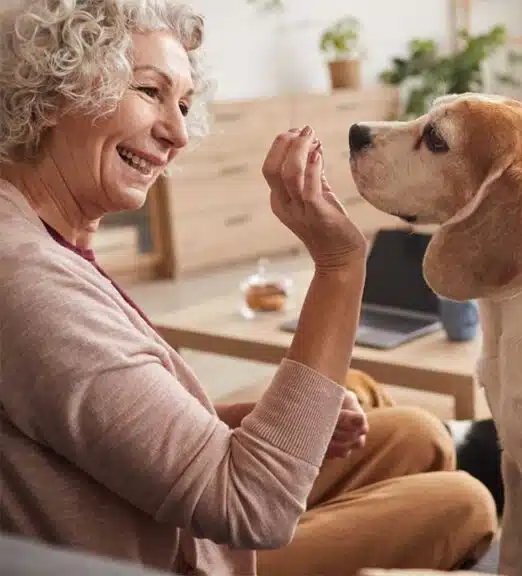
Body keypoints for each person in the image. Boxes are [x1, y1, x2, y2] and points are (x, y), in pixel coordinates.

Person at [0, 1, 496, 575]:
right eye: (150, 91)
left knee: (413, 431)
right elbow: (250, 508)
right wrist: (339, 266)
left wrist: (233, 416)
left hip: (167, 517)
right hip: (188, 554)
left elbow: (88, 416)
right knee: (462, 504)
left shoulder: (36, 235)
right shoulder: (32, 284)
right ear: (53, 89)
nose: (177, 133)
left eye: (184, 105)